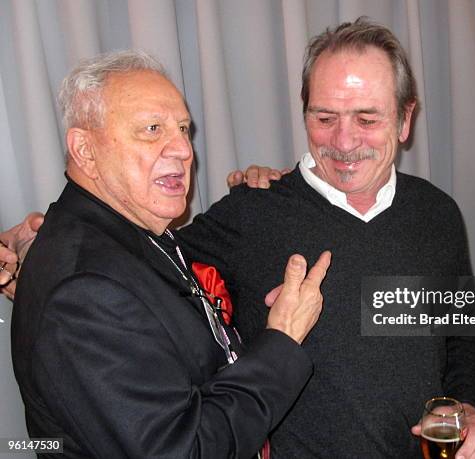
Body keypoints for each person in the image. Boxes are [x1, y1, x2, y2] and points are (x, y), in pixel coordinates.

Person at [2, 19, 475, 458]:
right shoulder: (250, 212)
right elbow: (128, 269)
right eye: (324, 118)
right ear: (303, 113)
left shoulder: (437, 213)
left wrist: (469, 408)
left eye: (367, 119)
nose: (344, 142)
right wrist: (26, 257)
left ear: (405, 120)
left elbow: (461, 337)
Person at [8, 50, 331, 458]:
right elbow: (184, 450)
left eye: (182, 128)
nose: (182, 148)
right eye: (152, 129)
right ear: (85, 151)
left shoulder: (134, 231)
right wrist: (283, 339)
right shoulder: (85, 288)